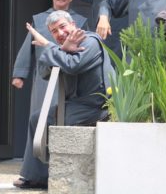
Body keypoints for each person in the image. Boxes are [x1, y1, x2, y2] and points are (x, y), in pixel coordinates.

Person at [13, 10, 115, 189]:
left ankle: (37, 177)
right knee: (37, 118)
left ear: (73, 24)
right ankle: (36, 176)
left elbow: (72, 65)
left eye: (62, 26)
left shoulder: (91, 41)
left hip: (98, 106)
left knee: (46, 120)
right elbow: (44, 71)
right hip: (78, 105)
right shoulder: (62, 47)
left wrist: (49, 46)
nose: (60, 33)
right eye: (54, 31)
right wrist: (62, 49)